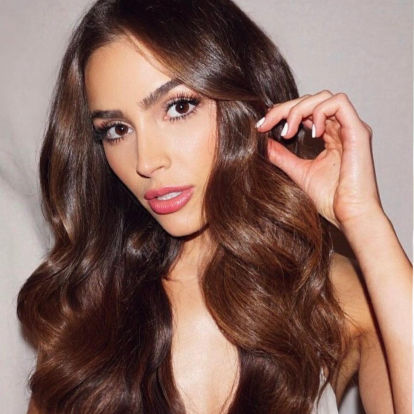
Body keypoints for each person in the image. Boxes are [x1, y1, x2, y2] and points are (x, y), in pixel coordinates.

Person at [18, 0, 411, 413]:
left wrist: (363, 218)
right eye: (117, 129)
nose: (146, 161)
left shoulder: (332, 295)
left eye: (179, 107)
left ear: (245, 105)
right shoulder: (86, 309)